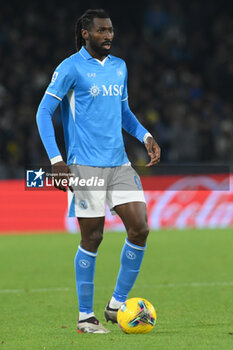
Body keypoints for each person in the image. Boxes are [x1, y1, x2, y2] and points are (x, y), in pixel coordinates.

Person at [36, 9, 160, 334]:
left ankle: (117, 304)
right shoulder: (70, 67)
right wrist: (56, 160)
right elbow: (43, 112)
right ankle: (85, 317)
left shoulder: (119, 67)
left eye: (111, 31)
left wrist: (145, 136)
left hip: (119, 164)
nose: (108, 36)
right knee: (93, 238)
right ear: (85, 34)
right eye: (102, 31)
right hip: (83, 165)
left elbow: (123, 112)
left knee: (141, 228)